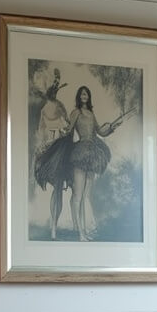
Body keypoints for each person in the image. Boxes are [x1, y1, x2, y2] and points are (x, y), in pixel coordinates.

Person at [63, 85, 127, 241]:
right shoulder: (75, 113)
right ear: (79, 97)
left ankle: (84, 230)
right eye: (82, 93)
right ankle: (80, 233)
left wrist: (112, 127)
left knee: (85, 196)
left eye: (86, 93)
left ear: (88, 97)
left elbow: (99, 131)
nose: (84, 95)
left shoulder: (91, 114)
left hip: (93, 154)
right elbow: (68, 129)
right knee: (78, 195)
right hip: (80, 153)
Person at [33, 75, 72, 238]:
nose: (54, 93)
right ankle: (53, 226)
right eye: (53, 90)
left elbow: (67, 125)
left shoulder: (60, 106)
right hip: (51, 148)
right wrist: (43, 146)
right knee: (56, 190)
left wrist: (64, 131)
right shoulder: (44, 110)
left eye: (55, 90)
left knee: (58, 189)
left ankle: (54, 225)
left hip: (61, 147)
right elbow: (41, 131)